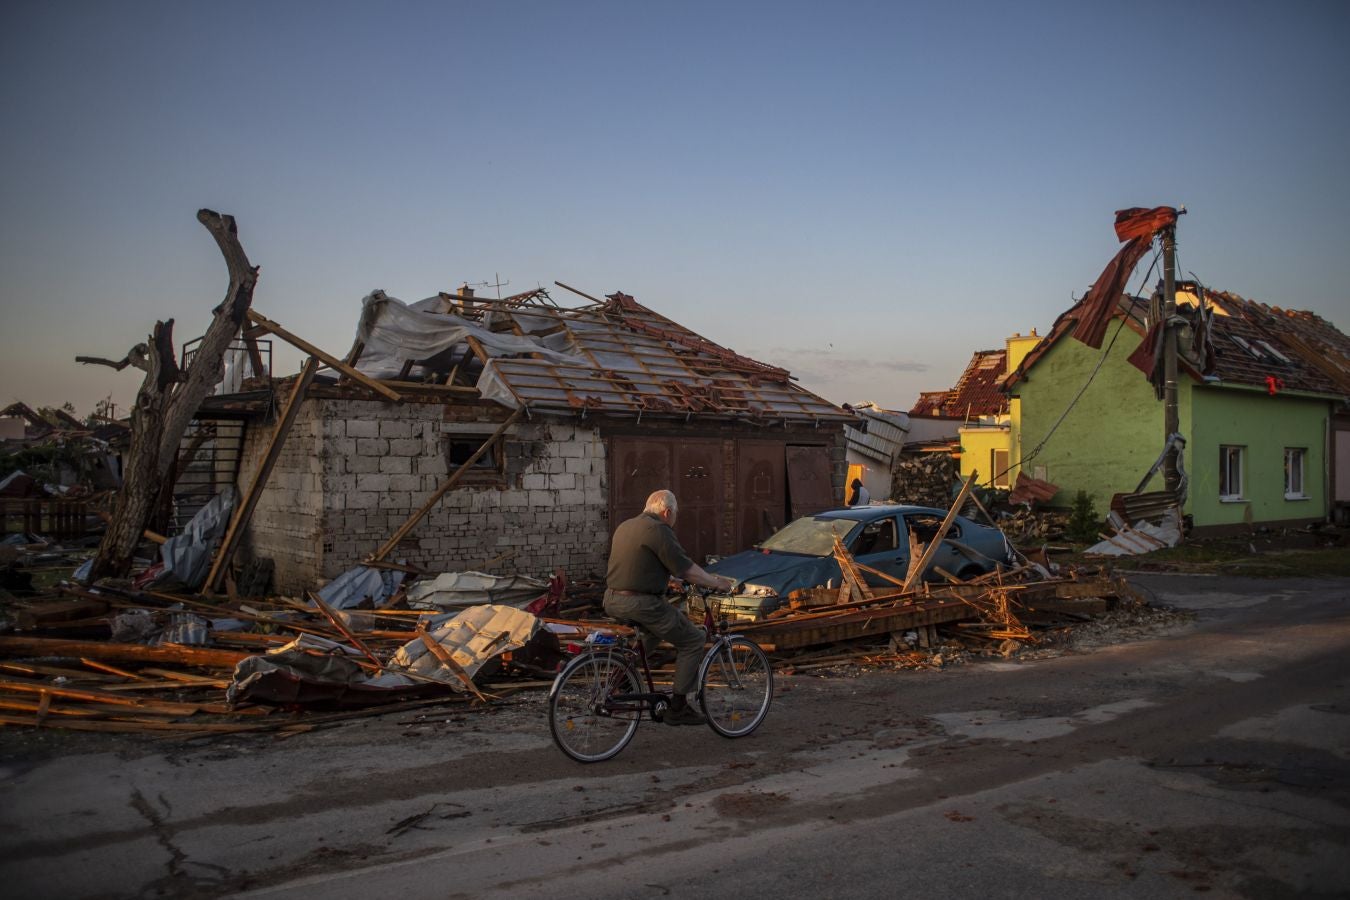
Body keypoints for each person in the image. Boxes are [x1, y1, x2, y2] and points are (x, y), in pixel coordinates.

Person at [604, 489, 735, 726]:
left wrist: (668, 582)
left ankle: (622, 678)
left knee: (655, 630)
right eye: (675, 515)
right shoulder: (659, 530)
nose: (674, 520)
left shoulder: (626, 526)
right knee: (693, 640)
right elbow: (686, 569)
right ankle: (679, 707)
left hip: (613, 599)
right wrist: (717, 583)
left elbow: (639, 564)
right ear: (667, 512)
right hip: (641, 604)